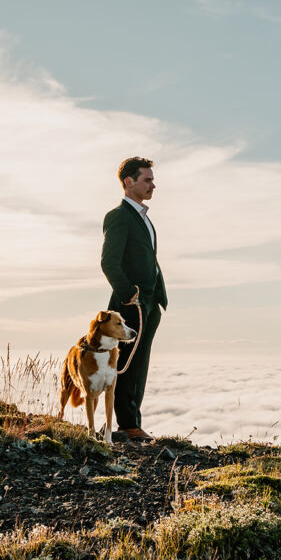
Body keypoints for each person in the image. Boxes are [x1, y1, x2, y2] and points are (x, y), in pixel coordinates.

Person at [100, 157, 168, 442]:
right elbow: (109, 263)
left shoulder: (143, 217)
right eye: (147, 179)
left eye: (152, 179)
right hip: (131, 305)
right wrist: (130, 295)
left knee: (140, 363)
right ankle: (128, 425)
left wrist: (157, 298)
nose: (153, 184)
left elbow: (148, 260)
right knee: (126, 363)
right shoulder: (118, 217)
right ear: (129, 182)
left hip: (151, 303)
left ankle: (133, 422)